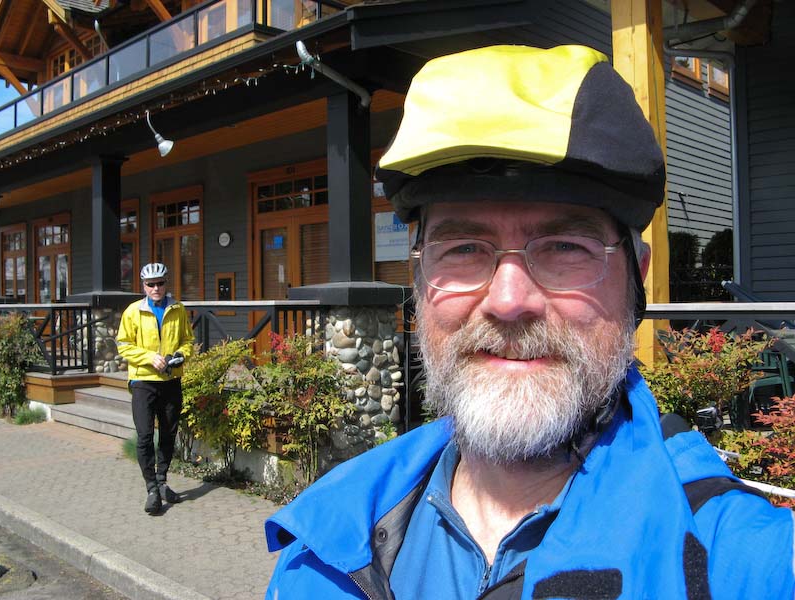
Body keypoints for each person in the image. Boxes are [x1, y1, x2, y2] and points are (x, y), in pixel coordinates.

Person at [264, 45, 794, 598]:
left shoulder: (736, 557)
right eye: (464, 248)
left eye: (565, 246)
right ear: (419, 283)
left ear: (635, 281)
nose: (509, 300)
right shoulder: (319, 550)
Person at [117, 262, 193, 515]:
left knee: (169, 435)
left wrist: (181, 354)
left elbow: (187, 340)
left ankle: (162, 482)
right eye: (150, 284)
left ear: (166, 283)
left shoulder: (178, 309)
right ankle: (151, 489)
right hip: (143, 382)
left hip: (171, 381)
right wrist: (149, 357)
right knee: (145, 436)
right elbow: (124, 345)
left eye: (160, 283)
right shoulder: (132, 312)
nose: (156, 288)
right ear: (143, 286)